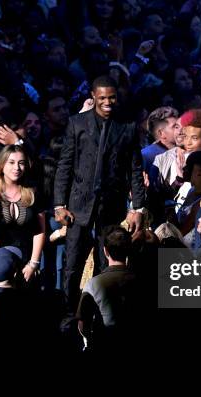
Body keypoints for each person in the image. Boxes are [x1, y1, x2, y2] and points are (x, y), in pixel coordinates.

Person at [53, 75, 146, 313]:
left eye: (112, 97)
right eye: (102, 98)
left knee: (108, 262)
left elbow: (135, 168)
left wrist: (137, 208)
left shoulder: (127, 126)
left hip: (111, 204)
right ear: (93, 97)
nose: (108, 102)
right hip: (78, 205)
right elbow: (64, 165)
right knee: (72, 262)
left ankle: (104, 311)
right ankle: (68, 312)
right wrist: (59, 204)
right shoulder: (77, 123)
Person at [76, 226, 139, 352]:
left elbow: (83, 324)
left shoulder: (93, 284)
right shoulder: (142, 280)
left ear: (105, 251)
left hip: (105, 344)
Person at [0, 145, 45, 283]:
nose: (17, 167)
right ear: (1, 165)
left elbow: (39, 231)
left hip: (27, 265)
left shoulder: (33, 193)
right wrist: (0, 265)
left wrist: (33, 263)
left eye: (21, 163)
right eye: (11, 162)